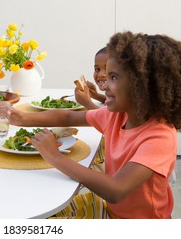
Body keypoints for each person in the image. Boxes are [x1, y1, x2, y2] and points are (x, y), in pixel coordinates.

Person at [10, 31, 180, 218]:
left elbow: (116, 190)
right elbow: (67, 118)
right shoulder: (116, 116)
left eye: (113, 77)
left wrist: (55, 156)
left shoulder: (160, 136)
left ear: (142, 86)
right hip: (111, 210)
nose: (105, 84)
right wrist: (21, 118)